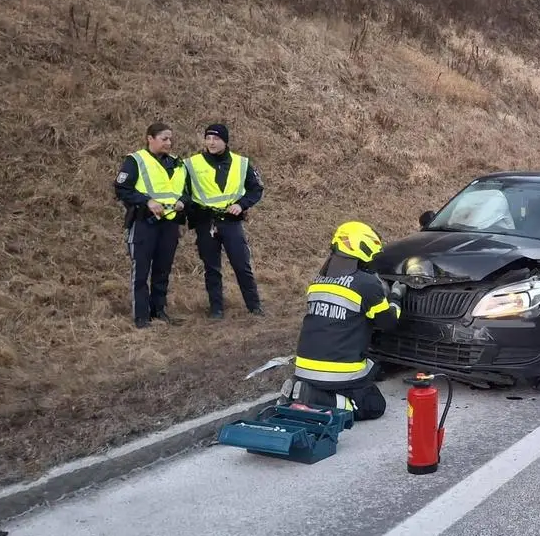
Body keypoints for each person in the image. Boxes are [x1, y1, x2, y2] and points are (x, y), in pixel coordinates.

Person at [282, 221, 407, 421]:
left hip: (304, 368)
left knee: (370, 370)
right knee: (374, 405)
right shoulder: (366, 283)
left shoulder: (318, 281)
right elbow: (388, 323)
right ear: (363, 250)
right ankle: (315, 398)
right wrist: (396, 297)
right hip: (338, 374)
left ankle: (301, 391)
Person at [183, 123, 265, 319]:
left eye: (216, 139)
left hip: (231, 222)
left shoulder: (241, 163)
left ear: (225, 141)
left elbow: (256, 189)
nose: (211, 142)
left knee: (242, 265)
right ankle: (216, 309)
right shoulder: (190, 164)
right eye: (208, 138)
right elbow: (182, 191)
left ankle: (254, 307)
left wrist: (242, 204)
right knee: (211, 268)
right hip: (206, 222)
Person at [114, 123, 188, 328]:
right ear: (150, 138)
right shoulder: (135, 160)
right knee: (141, 271)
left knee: (162, 270)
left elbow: (186, 191)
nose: (169, 143)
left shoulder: (177, 163)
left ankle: (159, 311)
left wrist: (183, 202)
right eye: (164, 139)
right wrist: (147, 201)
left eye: (170, 139)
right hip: (144, 223)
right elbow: (122, 188)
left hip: (169, 224)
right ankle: (141, 317)